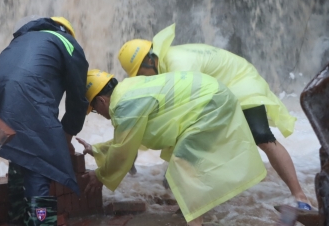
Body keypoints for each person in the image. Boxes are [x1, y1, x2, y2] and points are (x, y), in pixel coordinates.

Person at [118, 24, 313, 209]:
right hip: (218, 90)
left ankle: (300, 196)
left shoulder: (179, 64)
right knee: (193, 140)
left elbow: (185, 112)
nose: (143, 79)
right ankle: (194, 201)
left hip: (240, 81)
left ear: (150, 60)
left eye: (141, 73)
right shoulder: (164, 64)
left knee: (261, 135)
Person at [77, 69, 267, 226]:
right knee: (188, 162)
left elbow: (124, 149)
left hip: (211, 104)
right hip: (213, 96)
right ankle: (193, 210)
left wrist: (100, 176)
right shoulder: (127, 91)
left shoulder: (124, 106)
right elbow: (131, 138)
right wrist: (98, 149)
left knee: (181, 164)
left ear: (102, 100)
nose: (98, 114)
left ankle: (195, 221)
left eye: (94, 110)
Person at [0, 16, 89, 226]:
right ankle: (42, 223)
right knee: (41, 164)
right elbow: (78, 98)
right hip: (23, 92)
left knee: (20, 152)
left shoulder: (23, 39)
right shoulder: (67, 43)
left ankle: (16, 219)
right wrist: (66, 137)